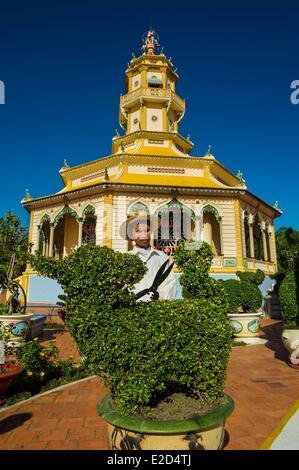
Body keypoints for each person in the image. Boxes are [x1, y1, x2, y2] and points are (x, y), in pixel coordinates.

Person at [128, 216, 177, 302]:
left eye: (147, 230)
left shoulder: (162, 257)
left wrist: (160, 304)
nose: (144, 235)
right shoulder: (125, 258)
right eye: (138, 231)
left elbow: (169, 284)